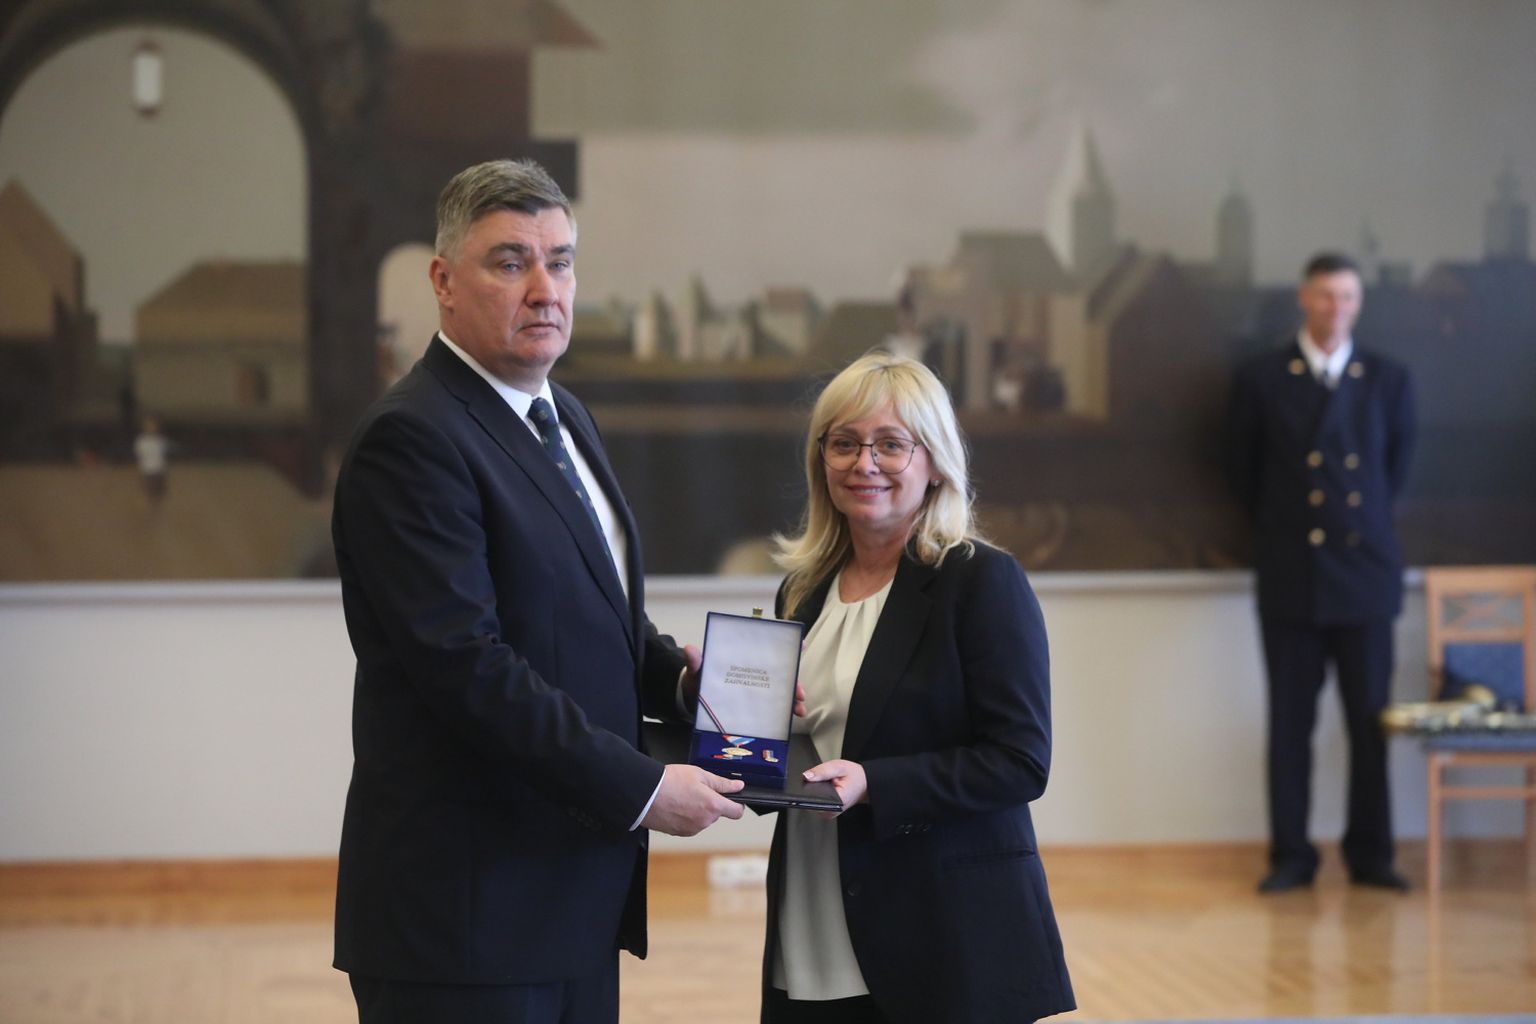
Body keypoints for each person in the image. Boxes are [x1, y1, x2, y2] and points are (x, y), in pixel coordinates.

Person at [331, 158, 748, 1024]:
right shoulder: (412, 439)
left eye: (560, 262)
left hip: (571, 899)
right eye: (510, 262)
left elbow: (586, 611)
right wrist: (642, 787)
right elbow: (469, 670)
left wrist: (681, 682)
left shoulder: (564, 415)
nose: (544, 289)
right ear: (444, 282)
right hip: (466, 917)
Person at [760, 351, 1075, 1024]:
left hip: (942, 931)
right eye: (844, 443)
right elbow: (797, 742)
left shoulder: (980, 581)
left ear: (933, 462)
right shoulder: (801, 591)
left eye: (890, 444)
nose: (863, 463)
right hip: (813, 909)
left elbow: (1020, 760)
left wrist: (874, 783)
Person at [1228, 252, 1416, 894]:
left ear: (1358, 304)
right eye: (1326, 295)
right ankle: (1291, 856)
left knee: (1369, 724)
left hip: (1366, 578)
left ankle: (1372, 856)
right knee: (1290, 726)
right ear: (1303, 298)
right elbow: (1244, 474)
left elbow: (1394, 474)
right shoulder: (1261, 378)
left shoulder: (1388, 379)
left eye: (1348, 297)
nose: (1337, 308)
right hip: (1293, 576)